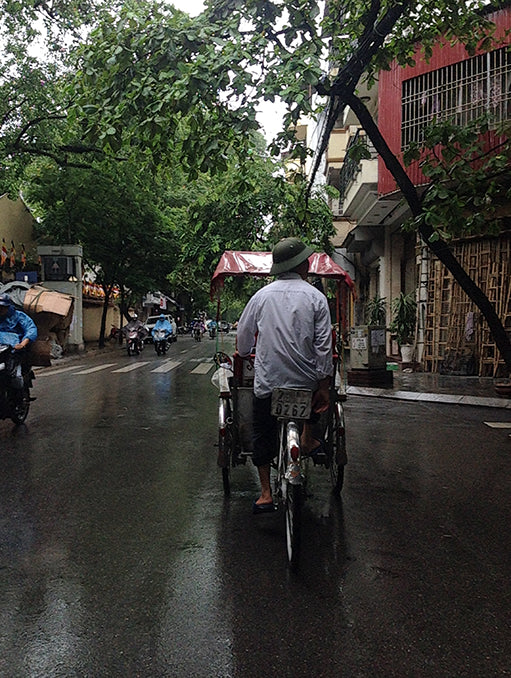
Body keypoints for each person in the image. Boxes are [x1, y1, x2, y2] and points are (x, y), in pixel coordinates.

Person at [236, 237, 333, 513]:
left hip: (268, 384)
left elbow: (243, 340)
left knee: (262, 431)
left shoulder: (261, 297)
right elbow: (324, 345)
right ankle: (308, 437)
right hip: (305, 385)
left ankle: (266, 493)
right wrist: (323, 385)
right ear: (303, 265)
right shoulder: (316, 297)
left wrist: (244, 352)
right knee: (313, 402)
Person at [0, 292, 38, 392]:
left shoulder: (19, 316)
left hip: (13, 353)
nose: (1, 309)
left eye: (3, 307)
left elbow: (30, 329)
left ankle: (18, 400)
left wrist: (23, 343)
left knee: (16, 377)